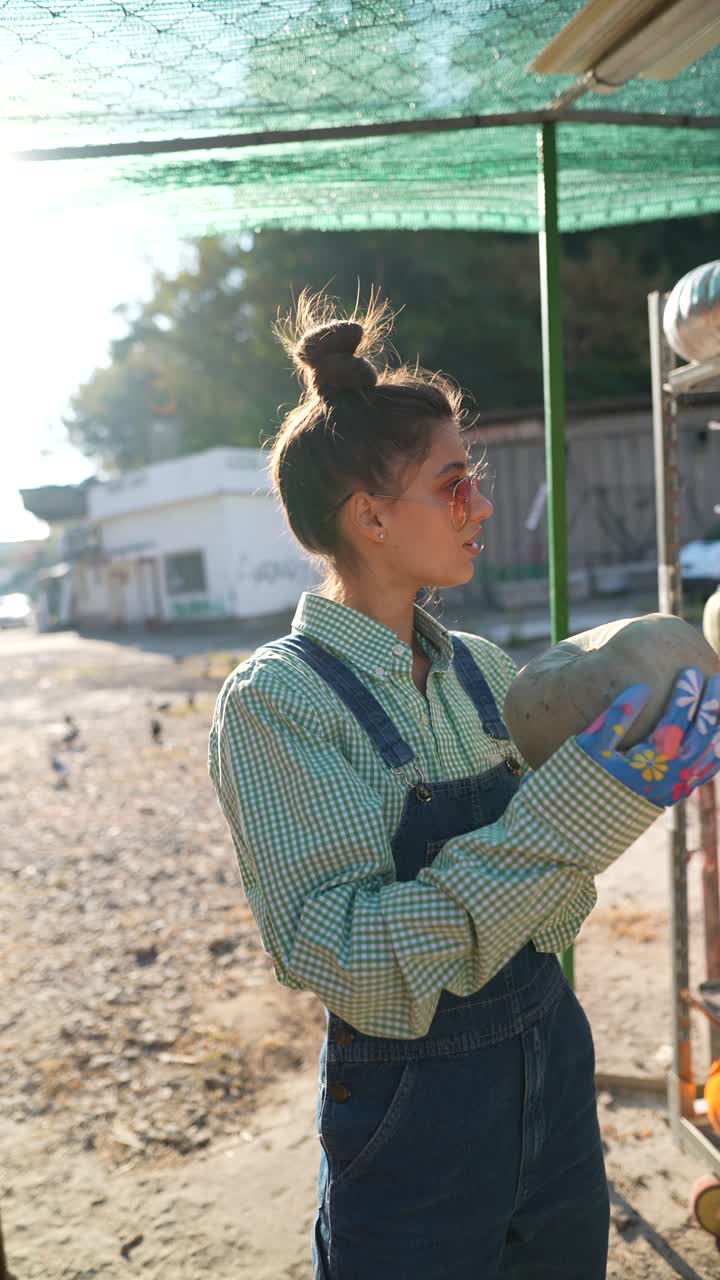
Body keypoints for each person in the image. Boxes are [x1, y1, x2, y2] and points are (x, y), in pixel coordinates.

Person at [208, 291, 720, 1279]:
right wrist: (581, 810)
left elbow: (554, 912)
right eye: (454, 484)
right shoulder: (277, 705)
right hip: (413, 1110)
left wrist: (626, 794)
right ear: (371, 517)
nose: (481, 502)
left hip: (552, 1063)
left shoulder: (485, 670)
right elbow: (355, 959)